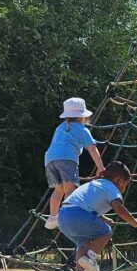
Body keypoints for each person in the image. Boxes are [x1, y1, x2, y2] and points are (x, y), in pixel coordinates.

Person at [57, 161, 137, 271]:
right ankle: (89, 259)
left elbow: (86, 204)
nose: (124, 188)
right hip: (78, 215)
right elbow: (119, 209)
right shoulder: (111, 188)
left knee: (84, 244)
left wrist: (103, 218)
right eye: (126, 184)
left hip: (63, 217)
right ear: (119, 180)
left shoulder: (93, 184)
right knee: (105, 232)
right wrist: (134, 222)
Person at [43, 97, 105, 230]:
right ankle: (65, 215)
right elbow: (92, 148)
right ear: (82, 117)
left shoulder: (60, 127)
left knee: (58, 189)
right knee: (70, 189)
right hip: (67, 159)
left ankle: (52, 217)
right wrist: (100, 167)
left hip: (49, 160)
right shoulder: (82, 130)